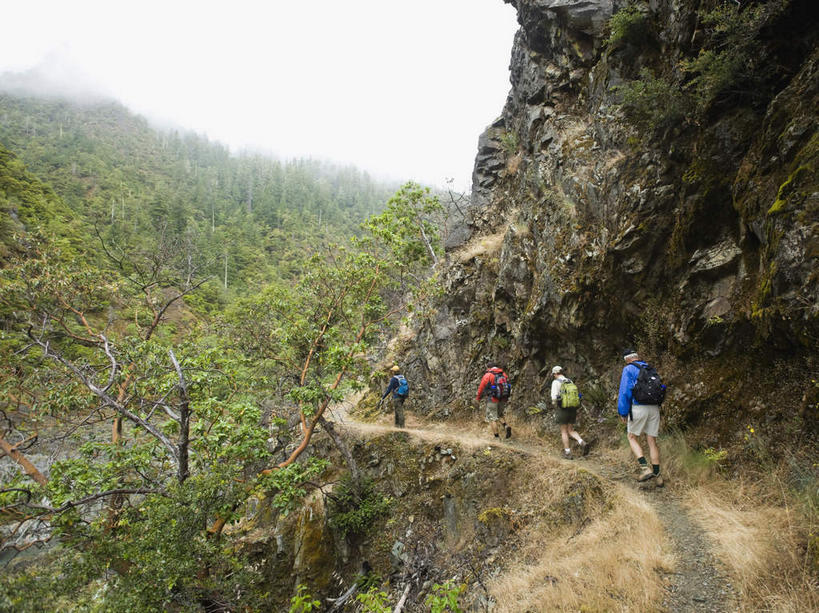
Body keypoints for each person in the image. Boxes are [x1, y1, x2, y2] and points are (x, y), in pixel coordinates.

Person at [617, 349, 663, 485]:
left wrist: (623, 412)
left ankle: (644, 468)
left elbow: (625, 391)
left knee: (631, 437)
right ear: (637, 357)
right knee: (652, 441)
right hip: (654, 408)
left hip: (638, 407)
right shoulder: (649, 368)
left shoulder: (628, 369)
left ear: (627, 359)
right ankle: (658, 476)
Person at [550, 366, 588, 459]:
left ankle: (568, 452)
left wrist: (555, 404)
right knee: (570, 430)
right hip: (573, 409)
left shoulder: (556, 382)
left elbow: (554, 398)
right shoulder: (570, 381)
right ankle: (581, 442)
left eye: (553, 374)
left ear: (555, 373)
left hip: (563, 409)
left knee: (563, 431)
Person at [476, 362, 511, 439]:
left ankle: (496, 438)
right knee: (500, 414)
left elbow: (481, 388)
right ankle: (506, 426)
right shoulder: (504, 374)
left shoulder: (488, 375)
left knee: (492, 418)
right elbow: (508, 386)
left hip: (492, 399)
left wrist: (478, 398)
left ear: (489, 368)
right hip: (503, 398)